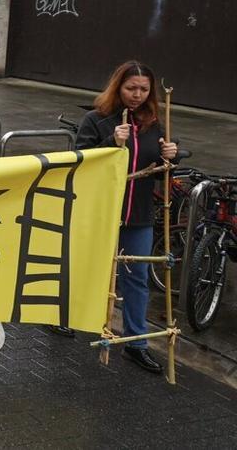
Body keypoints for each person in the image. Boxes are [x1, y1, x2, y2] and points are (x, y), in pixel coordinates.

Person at [74, 61, 177, 374]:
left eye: (144, 90)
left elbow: (160, 173)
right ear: (117, 86)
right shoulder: (97, 120)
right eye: (131, 88)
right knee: (85, 268)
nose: (137, 95)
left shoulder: (153, 124)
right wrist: (111, 144)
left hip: (139, 215)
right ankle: (63, 319)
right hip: (101, 212)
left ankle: (136, 343)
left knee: (137, 278)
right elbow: (80, 162)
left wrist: (170, 155)